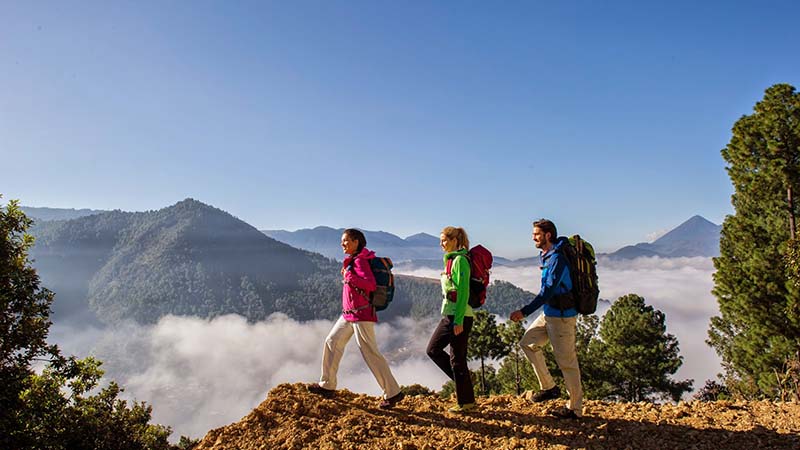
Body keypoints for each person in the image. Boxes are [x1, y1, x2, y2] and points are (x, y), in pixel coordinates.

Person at [307, 228, 404, 409]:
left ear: (356, 242)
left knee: (370, 352)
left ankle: (393, 393)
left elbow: (370, 285)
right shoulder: (354, 260)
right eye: (342, 241)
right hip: (349, 314)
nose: (342, 244)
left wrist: (349, 276)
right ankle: (327, 385)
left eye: (345, 241)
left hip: (361, 314)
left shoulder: (360, 261)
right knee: (332, 342)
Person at [510, 219, 583, 419]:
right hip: (550, 313)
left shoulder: (557, 258)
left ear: (548, 235)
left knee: (567, 362)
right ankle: (549, 387)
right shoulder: (547, 255)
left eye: (536, 234)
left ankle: (575, 409)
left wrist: (524, 312)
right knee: (528, 343)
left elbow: (547, 292)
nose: (533, 237)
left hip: (562, 317)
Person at [426, 226, 477, 413]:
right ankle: (465, 388)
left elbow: (463, 291)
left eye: (445, 240)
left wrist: (458, 320)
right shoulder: (451, 260)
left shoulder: (460, 261)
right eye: (440, 241)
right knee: (441, 353)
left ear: (455, 240)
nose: (442, 244)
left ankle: (466, 400)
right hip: (451, 314)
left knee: (451, 357)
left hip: (458, 315)